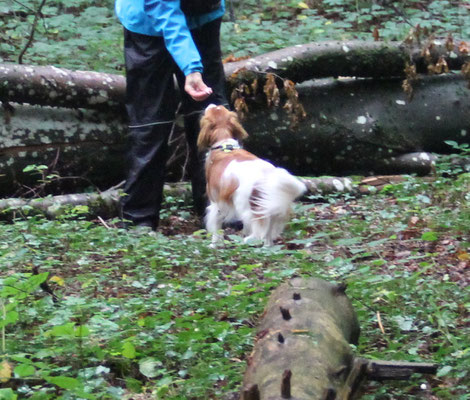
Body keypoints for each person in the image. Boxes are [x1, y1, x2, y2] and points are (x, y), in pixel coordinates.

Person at [115, 0, 229, 230]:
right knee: (150, 122)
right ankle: (139, 220)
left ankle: (220, 213)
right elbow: (164, 11)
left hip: (203, 19)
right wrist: (192, 68)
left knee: (212, 117)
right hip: (147, 23)